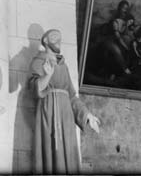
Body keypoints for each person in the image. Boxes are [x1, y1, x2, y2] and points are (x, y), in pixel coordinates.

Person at [29, 28, 100, 174]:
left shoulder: (63, 65)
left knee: (67, 155)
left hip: (66, 118)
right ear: (45, 41)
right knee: (50, 155)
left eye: (60, 37)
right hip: (48, 115)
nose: (58, 39)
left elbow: (72, 96)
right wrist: (47, 76)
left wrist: (87, 115)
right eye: (54, 36)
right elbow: (34, 88)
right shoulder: (38, 61)